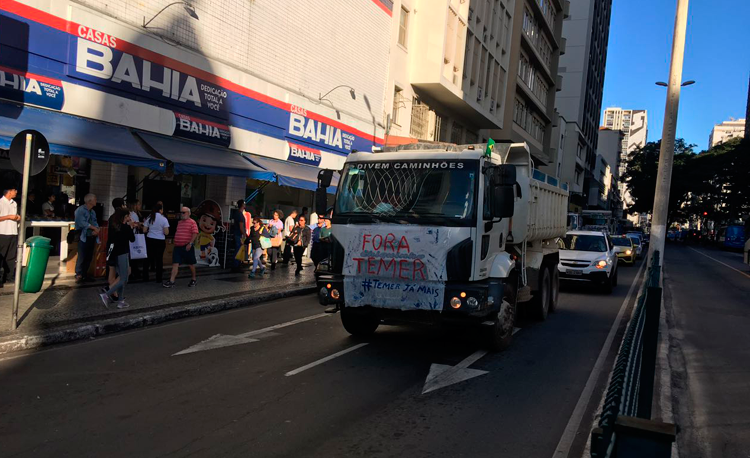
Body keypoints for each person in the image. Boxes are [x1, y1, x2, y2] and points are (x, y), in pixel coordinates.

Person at [99, 208, 134, 309]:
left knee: (122, 276)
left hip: (115, 254)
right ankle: (107, 294)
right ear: (124, 217)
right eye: (127, 216)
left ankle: (121, 300)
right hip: (123, 254)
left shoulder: (114, 226)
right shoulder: (125, 228)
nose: (129, 218)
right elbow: (132, 239)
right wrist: (131, 227)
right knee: (124, 278)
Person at [163, 206, 198, 288]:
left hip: (187, 246)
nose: (182, 214)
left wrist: (190, 243)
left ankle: (194, 279)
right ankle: (172, 281)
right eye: (181, 212)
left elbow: (195, 233)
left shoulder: (192, 222)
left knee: (191, 264)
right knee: (175, 263)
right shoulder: (179, 222)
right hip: (178, 246)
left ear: (189, 213)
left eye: (183, 212)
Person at [74, 193, 100, 283]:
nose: (96, 201)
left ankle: (85, 274)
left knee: (89, 256)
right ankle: (79, 274)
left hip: (91, 236)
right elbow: (82, 223)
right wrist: (93, 228)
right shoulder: (80, 210)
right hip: (83, 236)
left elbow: (95, 222)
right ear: (89, 201)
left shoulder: (92, 211)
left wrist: (97, 230)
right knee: (82, 256)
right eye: (95, 199)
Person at [0, 186, 21, 287]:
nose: (16, 192)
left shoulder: (14, 203)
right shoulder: (1, 202)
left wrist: (17, 217)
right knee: (1, 256)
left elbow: (15, 215)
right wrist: (8, 216)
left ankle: (9, 277)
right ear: (9, 192)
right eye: (14, 190)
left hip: (13, 231)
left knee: (11, 256)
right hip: (3, 232)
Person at [143, 203, 169, 282]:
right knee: (159, 259)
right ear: (160, 210)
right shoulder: (164, 219)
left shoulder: (150, 217)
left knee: (147, 259)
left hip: (150, 239)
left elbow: (144, 230)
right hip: (160, 241)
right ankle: (158, 278)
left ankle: (145, 277)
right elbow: (166, 232)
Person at [127, 199, 144, 280]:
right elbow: (137, 225)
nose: (140, 206)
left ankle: (131, 271)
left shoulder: (128, 214)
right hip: (133, 236)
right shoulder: (134, 214)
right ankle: (133, 272)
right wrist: (141, 224)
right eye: (139, 204)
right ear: (135, 206)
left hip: (128, 236)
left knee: (129, 255)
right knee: (133, 255)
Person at [231, 199, 246, 272]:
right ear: (242, 205)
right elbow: (241, 226)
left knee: (237, 250)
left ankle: (236, 265)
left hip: (236, 233)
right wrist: (244, 234)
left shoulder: (236, 213)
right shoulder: (240, 215)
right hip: (238, 235)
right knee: (238, 250)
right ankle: (236, 266)